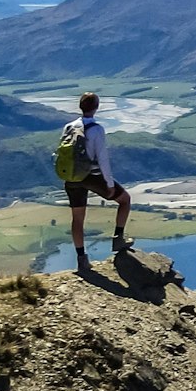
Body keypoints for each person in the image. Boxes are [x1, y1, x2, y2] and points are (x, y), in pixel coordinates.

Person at [62, 92, 133, 271]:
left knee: (77, 219)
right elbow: (102, 159)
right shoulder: (96, 129)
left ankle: (81, 259)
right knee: (125, 200)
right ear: (96, 107)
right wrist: (108, 184)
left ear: (80, 106)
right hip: (92, 177)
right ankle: (118, 239)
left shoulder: (69, 127)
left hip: (71, 177)